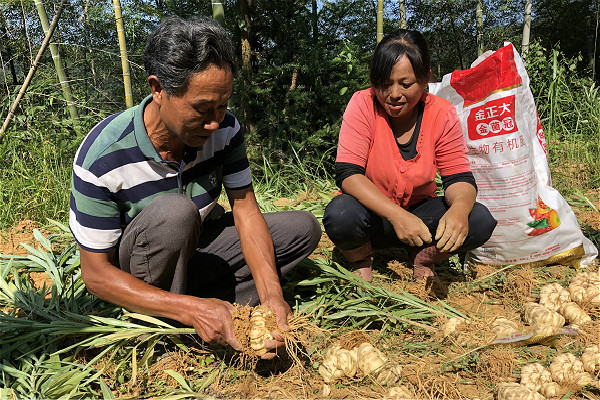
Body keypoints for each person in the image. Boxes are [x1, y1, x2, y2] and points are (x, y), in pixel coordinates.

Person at [69, 16, 321, 358]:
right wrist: (190, 310)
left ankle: (206, 307)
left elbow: (245, 210)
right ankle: (171, 322)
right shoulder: (103, 155)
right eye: (202, 109)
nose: (215, 121)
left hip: (195, 249)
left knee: (301, 229)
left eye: (223, 105)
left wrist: (272, 295)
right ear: (158, 90)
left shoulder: (224, 130)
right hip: (140, 273)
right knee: (176, 213)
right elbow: (96, 275)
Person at [323, 29, 496, 282]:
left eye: (406, 84)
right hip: (373, 217)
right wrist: (396, 215)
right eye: (384, 84)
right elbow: (348, 174)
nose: (393, 94)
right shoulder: (362, 104)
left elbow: (458, 176)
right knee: (341, 215)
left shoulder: (441, 113)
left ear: (426, 79)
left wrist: (459, 208)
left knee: (479, 219)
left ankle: (424, 255)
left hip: (420, 217)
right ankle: (361, 257)